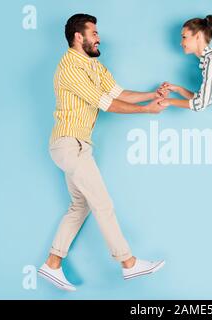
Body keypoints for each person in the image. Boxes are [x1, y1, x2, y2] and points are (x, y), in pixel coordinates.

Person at [39, 13, 166, 291]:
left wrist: (151, 95)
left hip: (79, 145)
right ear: (78, 37)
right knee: (102, 203)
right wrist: (147, 110)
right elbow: (106, 103)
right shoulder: (70, 67)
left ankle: (52, 263)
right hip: (69, 144)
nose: (98, 37)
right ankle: (128, 263)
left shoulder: (95, 67)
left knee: (80, 205)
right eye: (93, 33)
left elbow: (117, 92)